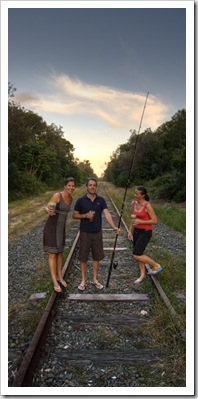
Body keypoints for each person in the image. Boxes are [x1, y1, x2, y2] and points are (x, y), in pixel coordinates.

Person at [72, 178, 120, 291]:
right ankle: (83, 280)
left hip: (97, 232)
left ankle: (94, 279)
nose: (92, 187)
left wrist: (113, 227)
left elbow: (107, 213)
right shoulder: (80, 200)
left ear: (96, 187)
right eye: (90, 185)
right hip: (84, 232)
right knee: (83, 257)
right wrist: (84, 216)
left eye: (94, 185)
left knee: (96, 257)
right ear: (86, 187)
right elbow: (74, 215)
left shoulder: (101, 200)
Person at [43, 177, 76, 292]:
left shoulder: (71, 199)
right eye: (69, 185)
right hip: (51, 228)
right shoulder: (57, 195)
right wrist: (48, 210)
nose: (71, 187)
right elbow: (46, 208)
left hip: (61, 229)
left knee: (60, 253)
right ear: (65, 186)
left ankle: (60, 277)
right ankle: (54, 281)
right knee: (52, 254)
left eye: (73, 186)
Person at [128, 185, 163, 285]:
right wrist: (130, 231)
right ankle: (142, 275)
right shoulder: (133, 203)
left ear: (143, 195)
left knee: (136, 255)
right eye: (134, 193)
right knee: (140, 254)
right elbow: (133, 218)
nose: (135, 195)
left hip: (146, 232)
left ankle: (156, 265)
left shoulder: (147, 205)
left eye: (137, 194)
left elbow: (155, 221)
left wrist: (141, 221)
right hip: (136, 231)